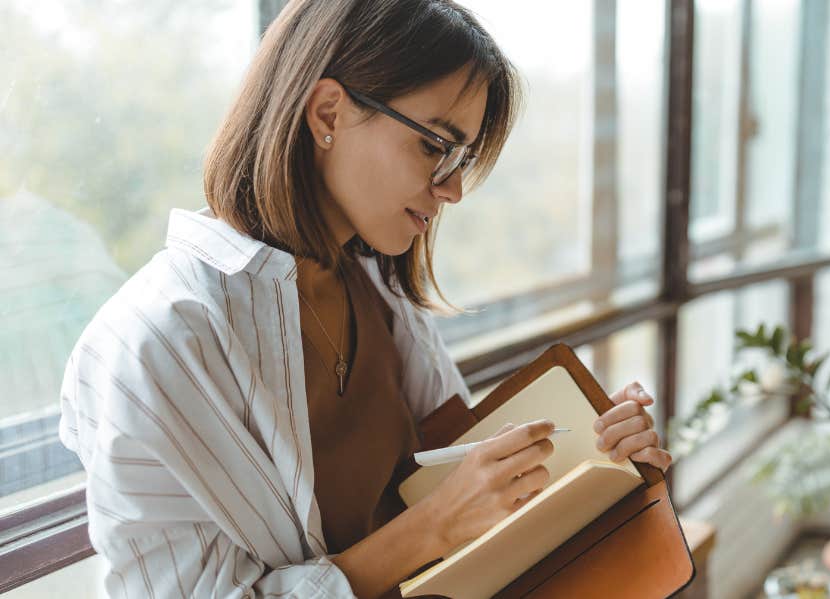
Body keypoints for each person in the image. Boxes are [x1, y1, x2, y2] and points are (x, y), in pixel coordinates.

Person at [57, 1, 671, 597]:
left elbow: (455, 469)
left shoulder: (377, 287)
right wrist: (430, 530)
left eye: (462, 157)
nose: (453, 188)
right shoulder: (151, 346)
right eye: (435, 146)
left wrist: (590, 450)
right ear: (328, 113)